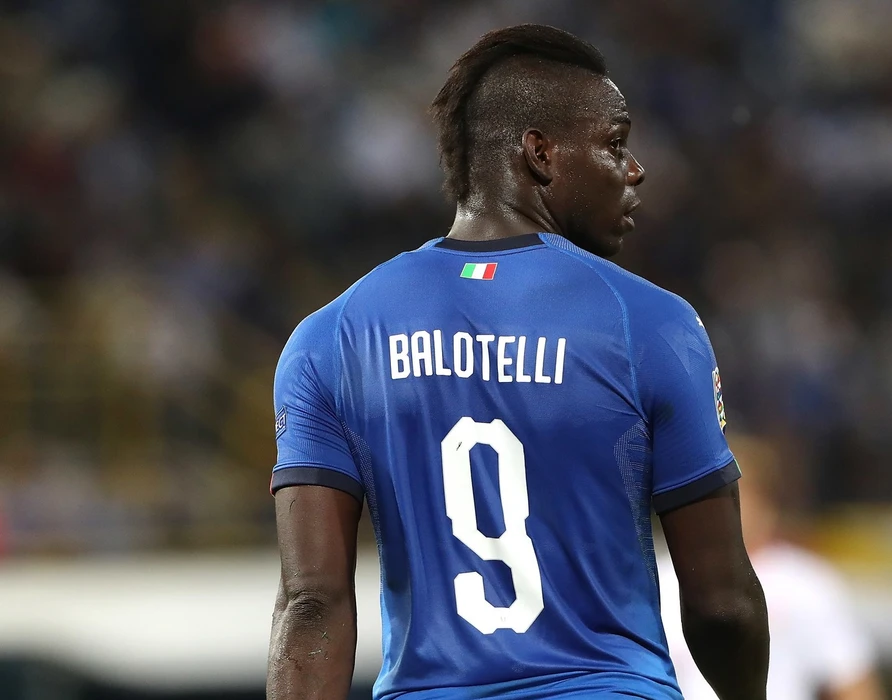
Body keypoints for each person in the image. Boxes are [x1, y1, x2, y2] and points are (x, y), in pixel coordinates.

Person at [265, 24, 768, 700]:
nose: (634, 169)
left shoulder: (331, 336)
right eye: (615, 143)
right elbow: (721, 604)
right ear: (540, 153)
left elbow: (312, 606)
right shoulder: (650, 323)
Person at [658, 436, 885, 700]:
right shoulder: (659, 580)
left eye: (735, 494)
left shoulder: (805, 582)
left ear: (768, 504)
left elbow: (853, 685)